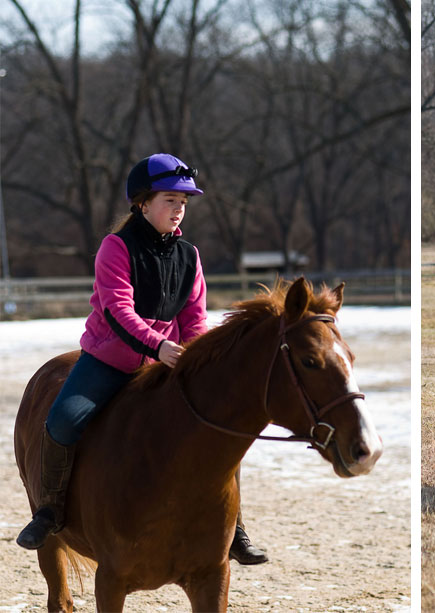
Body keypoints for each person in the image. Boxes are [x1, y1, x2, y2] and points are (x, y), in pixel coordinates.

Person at [16, 153, 267, 565]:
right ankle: (49, 511)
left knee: (219, 428)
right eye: (171, 199)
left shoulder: (189, 255)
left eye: (184, 201)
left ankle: (234, 527)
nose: (179, 208)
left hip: (164, 363)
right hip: (109, 361)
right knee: (62, 419)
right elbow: (117, 310)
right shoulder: (115, 248)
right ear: (143, 203)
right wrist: (158, 346)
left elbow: (193, 317)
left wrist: (195, 357)